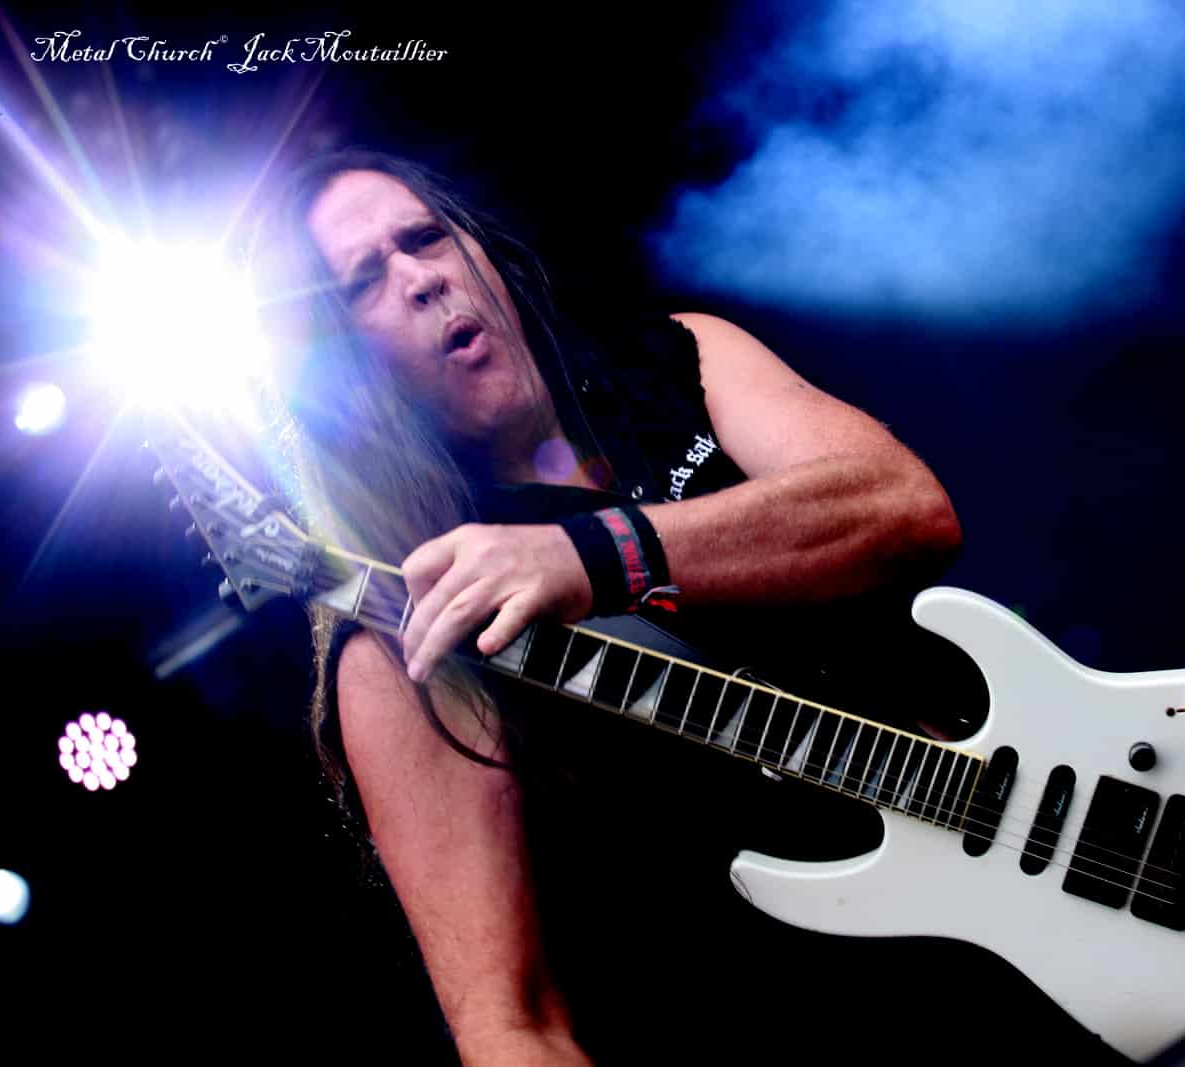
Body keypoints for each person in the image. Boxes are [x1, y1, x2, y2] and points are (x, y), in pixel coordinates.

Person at [249, 149, 975, 1065]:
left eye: (426, 237)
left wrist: (590, 556)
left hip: (1037, 839)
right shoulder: (408, 632)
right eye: (363, 282)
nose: (420, 278)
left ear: (482, 253)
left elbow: (905, 507)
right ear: (339, 367)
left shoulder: (680, 359)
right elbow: (509, 1023)